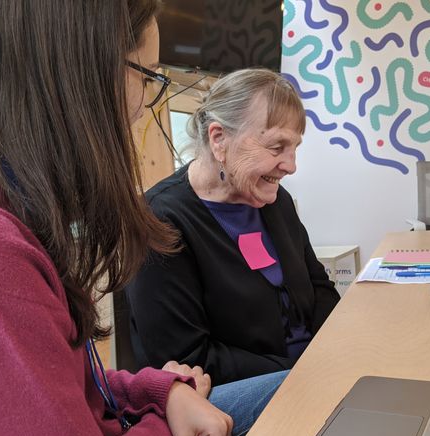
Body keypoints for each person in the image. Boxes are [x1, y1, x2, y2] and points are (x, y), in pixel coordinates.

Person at [0, 1, 285, 436]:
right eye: (147, 76)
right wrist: (163, 422)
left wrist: (161, 391)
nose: (140, 109)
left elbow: (69, 385)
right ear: (76, 70)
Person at [126, 69, 340, 386]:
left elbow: (319, 287)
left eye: (294, 147)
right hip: (239, 393)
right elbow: (186, 357)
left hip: (311, 373)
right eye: (276, 146)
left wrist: (336, 352)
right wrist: (299, 374)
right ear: (219, 139)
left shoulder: (275, 201)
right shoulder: (159, 220)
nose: (291, 165)